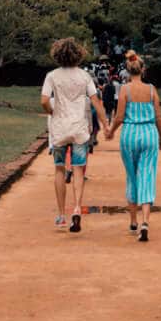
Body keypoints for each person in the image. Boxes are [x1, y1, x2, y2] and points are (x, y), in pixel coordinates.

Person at [41, 37, 101, 234]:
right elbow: (94, 100)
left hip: (59, 130)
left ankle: (60, 214)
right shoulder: (84, 76)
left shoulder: (52, 76)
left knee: (59, 169)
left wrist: (52, 111)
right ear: (78, 55)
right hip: (79, 130)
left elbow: (43, 101)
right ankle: (76, 208)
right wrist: (106, 124)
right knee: (77, 170)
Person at [110, 50, 161, 242]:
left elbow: (119, 117)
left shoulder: (125, 90)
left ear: (127, 69)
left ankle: (133, 220)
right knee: (147, 176)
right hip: (149, 134)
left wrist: (110, 131)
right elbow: (158, 116)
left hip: (130, 135)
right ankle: (145, 222)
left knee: (132, 176)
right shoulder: (151, 90)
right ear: (143, 70)